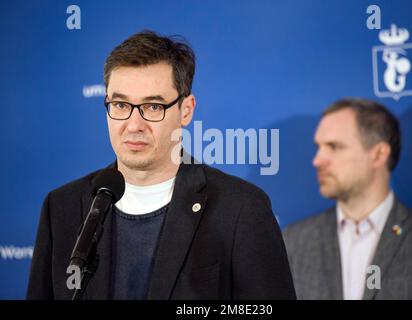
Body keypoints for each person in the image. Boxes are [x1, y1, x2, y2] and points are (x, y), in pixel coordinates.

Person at [27, 30, 295, 300]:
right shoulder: (62, 207)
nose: (133, 125)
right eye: (120, 104)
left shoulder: (241, 209)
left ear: (186, 110)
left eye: (153, 107)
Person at [283, 98, 412, 300]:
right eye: (318, 147)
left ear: (378, 155)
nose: (317, 160)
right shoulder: (293, 242)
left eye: (334, 147)